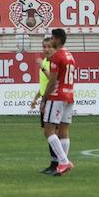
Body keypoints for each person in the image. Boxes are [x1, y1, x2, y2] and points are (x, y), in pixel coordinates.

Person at [42, 28, 75, 176]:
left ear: (57, 39)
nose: (51, 41)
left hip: (57, 96)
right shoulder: (70, 56)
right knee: (63, 131)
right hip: (70, 95)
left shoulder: (57, 56)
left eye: (52, 39)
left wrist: (44, 98)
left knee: (48, 130)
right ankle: (63, 165)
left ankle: (63, 161)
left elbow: (53, 81)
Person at [29, 37, 57, 172]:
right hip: (46, 99)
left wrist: (42, 67)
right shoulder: (46, 61)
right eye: (44, 47)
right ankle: (54, 163)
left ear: (54, 48)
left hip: (54, 100)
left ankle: (59, 163)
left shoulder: (54, 61)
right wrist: (36, 98)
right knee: (48, 133)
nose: (46, 49)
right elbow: (45, 85)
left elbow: (53, 80)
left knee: (52, 132)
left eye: (49, 47)